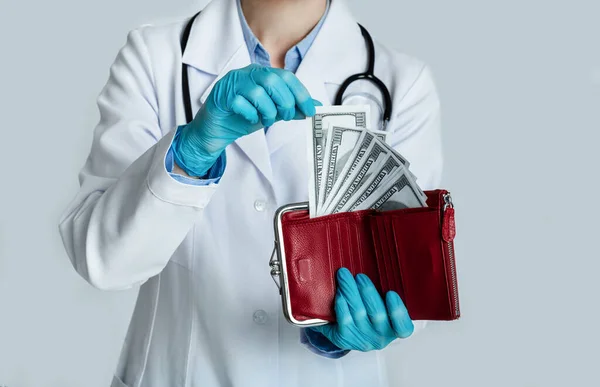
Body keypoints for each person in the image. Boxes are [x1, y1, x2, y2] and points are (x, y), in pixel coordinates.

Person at [58, 0, 443, 385]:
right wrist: (191, 152)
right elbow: (104, 262)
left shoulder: (402, 84)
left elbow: (412, 286)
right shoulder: (154, 57)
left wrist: (350, 329)